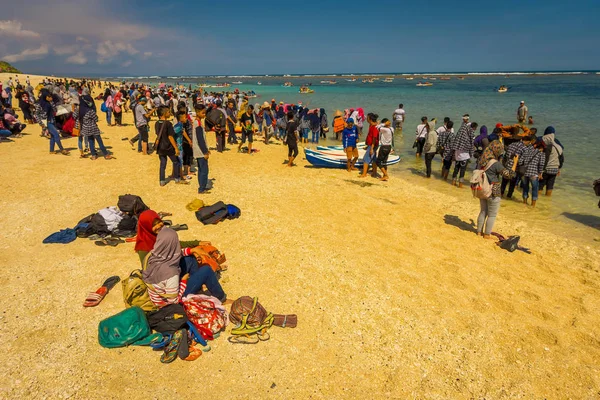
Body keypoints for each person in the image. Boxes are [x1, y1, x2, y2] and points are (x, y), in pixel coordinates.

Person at [141, 227, 227, 308]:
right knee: (206, 270)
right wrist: (183, 281)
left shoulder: (153, 254)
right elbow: (174, 301)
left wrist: (192, 250)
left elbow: (174, 254)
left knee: (189, 259)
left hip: (163, 290)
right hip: (171, 303)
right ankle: (221, 298)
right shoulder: (171, 273)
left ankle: (197, 287)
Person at [476, 140, 516, 239]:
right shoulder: (495, 163)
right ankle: (487, 235)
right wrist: (515, 162)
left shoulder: (482, 160)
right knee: (492, 215)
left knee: (483, 212)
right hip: (493, 190)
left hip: (482, 189)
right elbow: (509, 175)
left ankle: (478, 232)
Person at [79, 89, 113, 160]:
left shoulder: (80, 111)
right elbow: (96, 119)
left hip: (86, 128)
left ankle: (93, 155)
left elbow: (75, 116)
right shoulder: (90, 111)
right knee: (100, 141)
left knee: (90, 141)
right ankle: (106, 154)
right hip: (93, 128)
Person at [155, 106, 185, 186]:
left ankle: (162, 180)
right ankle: (177, 178)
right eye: (168, 112)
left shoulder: (157, 123)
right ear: (164, 114)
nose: (170, 113)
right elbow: (170, 137)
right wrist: (176, 148)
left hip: (160, 147)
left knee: (163, 164)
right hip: (168, 147)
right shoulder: (168, 124)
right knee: (176, 161)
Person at [37, 89, 69, 155]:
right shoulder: (40, 105)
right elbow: (36, 114)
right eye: (48, 97)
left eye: (50, 97)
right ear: (45, 97)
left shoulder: (50, 103)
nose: (50, 98)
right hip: (47, 122)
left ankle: (51, 150)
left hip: (52, 120)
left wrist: (51, 103)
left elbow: (55, 110)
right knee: (56, 134)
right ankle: (62, 149)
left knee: (53, 136)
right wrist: (41, 123)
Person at [520, 137, 546, 207]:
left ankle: (524, 203)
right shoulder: (541, 153)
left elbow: (520, 161)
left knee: (525, 188)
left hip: (524, 173)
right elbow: (541, 164)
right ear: (542, 147)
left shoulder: (527, 151)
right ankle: (533, 205)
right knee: (534, 189)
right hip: (534, 174)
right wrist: (540, 173)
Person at [450, 122, 477, 188]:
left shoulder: (460, 134)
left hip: (457, 154)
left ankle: (453, 183)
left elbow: (454, 144)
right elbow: (471, 146)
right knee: (462, 171)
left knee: (456, 169)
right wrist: (471, 154)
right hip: (465, 156)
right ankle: (460, 185)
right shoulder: (469, 135)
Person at [540, 126, 563, 197]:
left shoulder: (547, 146)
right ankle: (547, 200)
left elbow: (545, 159)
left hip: (547, 169)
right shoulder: (558, 146)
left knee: (541, 184)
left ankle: (539, 199)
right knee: (550, 185)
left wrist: (541, 171)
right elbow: (561, 158)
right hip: (555, 169)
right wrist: (559, 168)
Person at [192, 104, 211, 194]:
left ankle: (202, 186)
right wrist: (205, 152)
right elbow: (200, 140)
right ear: (197, 112)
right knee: (204, 170)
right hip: (200, 151)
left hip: (198, 150)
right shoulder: (198, 124)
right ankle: (202, 188)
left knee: (201, 169)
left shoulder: (196, 122)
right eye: (203, 113)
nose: (204, 115)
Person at [360, 113, 379, 178]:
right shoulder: (371, 125)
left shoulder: (374, 127)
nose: (366, 119)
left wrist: (371, 148)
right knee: (373, 159)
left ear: (370, 119)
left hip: (373, 145)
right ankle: (374, 173)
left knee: (366, 159)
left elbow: (374, 138)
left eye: (367, 118)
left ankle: (364, 174)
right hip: (371, 145)